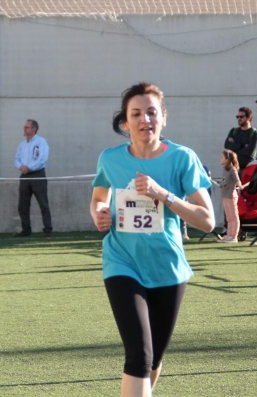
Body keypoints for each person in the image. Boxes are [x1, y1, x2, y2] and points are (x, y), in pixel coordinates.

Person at [90, 82, 215, 396]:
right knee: (139, 355)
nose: (145, 119)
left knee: (153, 359)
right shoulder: (110, 159)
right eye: (137, 113)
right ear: (125, 122)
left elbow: (208, 221)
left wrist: (164, 194)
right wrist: (99, 213)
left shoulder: (182, 158)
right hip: (122, 262)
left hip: (167, 268)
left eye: (151, 112)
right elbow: (98, 199)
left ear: (163, 118)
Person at [14, 119, 53, 236]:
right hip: (24, 176)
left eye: (27, 127)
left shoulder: (41, 142)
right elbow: (16, 159)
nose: (24, 129)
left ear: (34, 129)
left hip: (38, 175)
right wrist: (21, 167)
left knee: (43, 203)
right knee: (23, 205)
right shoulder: (22, 144)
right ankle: (26, 230)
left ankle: (48, 229)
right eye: (24, 127)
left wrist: (29, 167)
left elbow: (42, 159)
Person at [224, 107, 257, 173]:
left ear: (249, 118)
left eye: (241, 117)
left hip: (247, 170)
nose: (239, 119)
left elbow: (249, 151)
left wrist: (234, 149)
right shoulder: (233, 131)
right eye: (237, 117)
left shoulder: (254, 134)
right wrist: (242, 145)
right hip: (232, 168)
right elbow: (227, 145)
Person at [217, 149, 241, 243]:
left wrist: (239, 185)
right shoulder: (225, 169)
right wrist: (222, 183)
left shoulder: (232, 169)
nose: (220, 159)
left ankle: (234, 236)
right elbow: (224, 181)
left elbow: (237, 180)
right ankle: (229, 235)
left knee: (234, 216)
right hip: (225, 195)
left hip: (231, 196)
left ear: (227, 159)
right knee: (229, 217)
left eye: (222, 157)